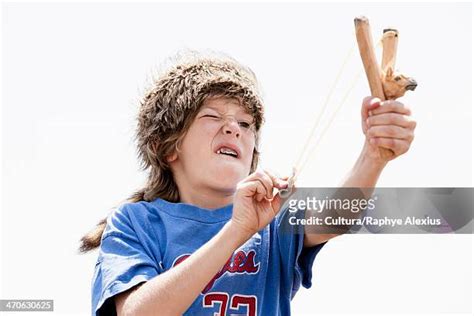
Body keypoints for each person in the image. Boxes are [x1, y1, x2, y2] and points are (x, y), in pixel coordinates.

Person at [79, 51, 416, 315]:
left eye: (245, 122)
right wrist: (236, 231)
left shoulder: (272, 219)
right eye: (212, 116)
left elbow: (337, 217)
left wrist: (373, 156)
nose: (233, 129)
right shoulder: (134, 223)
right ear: (166, 147)